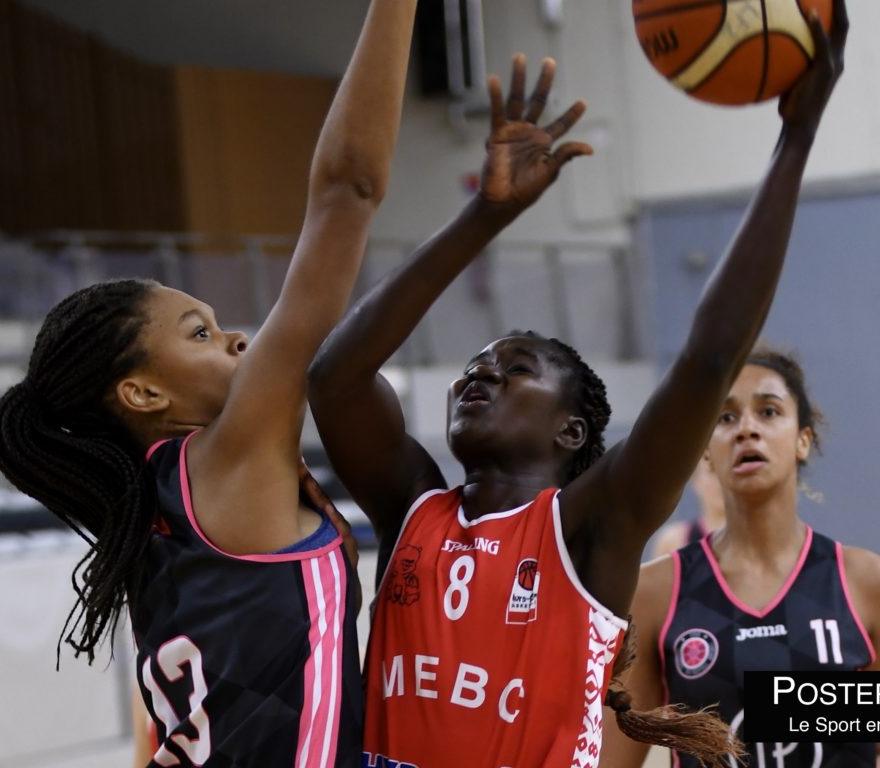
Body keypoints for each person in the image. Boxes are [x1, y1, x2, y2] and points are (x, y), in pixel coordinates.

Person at [307, 3, 848, 763]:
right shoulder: (414, 508)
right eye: (475, 366)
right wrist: (483, 216)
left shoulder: (591, 525)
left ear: (571, 429)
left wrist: (795, 139)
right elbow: (333, 376)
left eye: (515, 368)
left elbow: (709, 358)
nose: (482, 373)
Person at [0, 1, 417, 764]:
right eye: (200, 334)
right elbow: (347, 191)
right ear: (143, 393)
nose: (238, 340)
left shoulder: (148, 520)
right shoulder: (224, 462)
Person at [598, 348, 880, 768]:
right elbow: (613, 760)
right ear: (706, 451)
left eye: (768, 411)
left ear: (802, 439)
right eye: (726, 418)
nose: (746, 429)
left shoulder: (871, 582)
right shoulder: (655, 592)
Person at [651, 456, 727, 559]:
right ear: (695, 481)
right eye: (712, 470)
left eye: (726, 471)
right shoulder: (673, 542)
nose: (721, 481)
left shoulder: (749, 539)